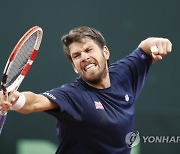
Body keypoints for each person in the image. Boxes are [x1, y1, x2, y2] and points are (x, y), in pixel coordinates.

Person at [0, 26, 172, 154]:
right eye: (76, 55)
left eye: (89, 50)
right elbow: (34, 102)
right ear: (74, 67)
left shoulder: (124, 73)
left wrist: (155, 43)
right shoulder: (73, 95)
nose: (84, 57)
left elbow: (144, 49)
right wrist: (16, 100)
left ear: (105, 52)